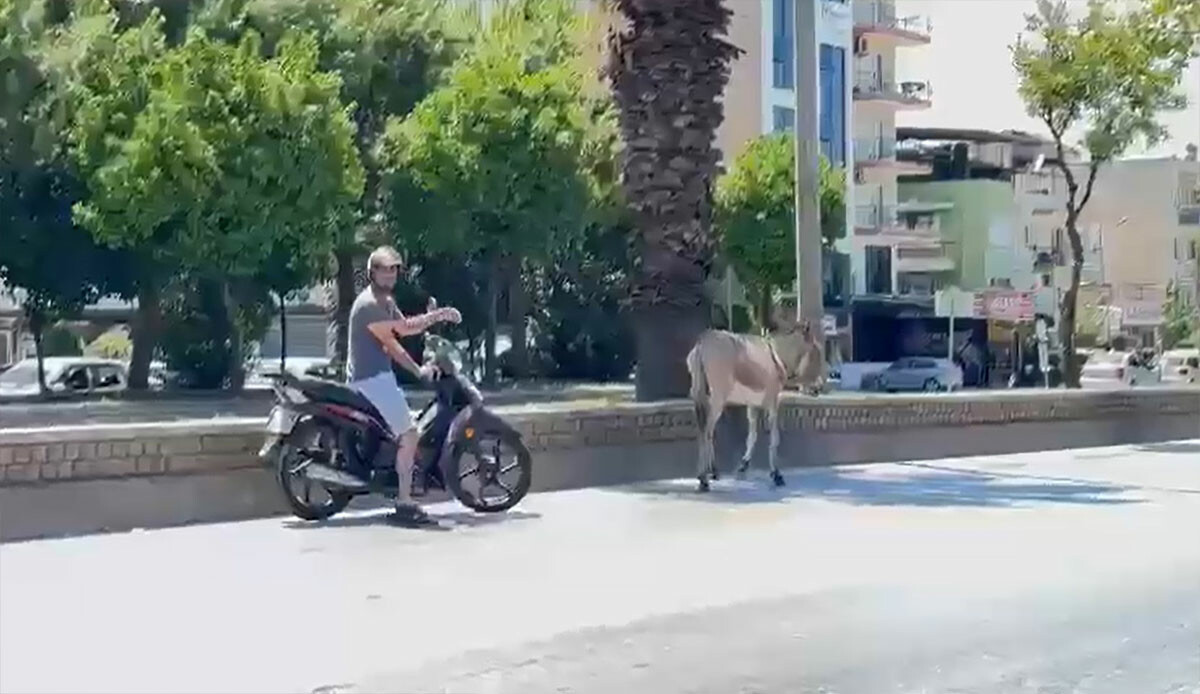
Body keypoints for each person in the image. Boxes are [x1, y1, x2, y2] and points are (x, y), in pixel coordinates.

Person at [348, 246, 461, 527]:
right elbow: (406, 329)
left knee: (405, 429)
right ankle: (405, 503)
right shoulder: (369, 304)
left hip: (376, 376)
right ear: (372, 272)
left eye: (393, 269)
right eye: (383, 269)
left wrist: (418, 370)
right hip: (370, 380)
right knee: (410, 435)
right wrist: (440, 315)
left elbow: (393, 343)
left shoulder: (384, 301)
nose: (389, 274)